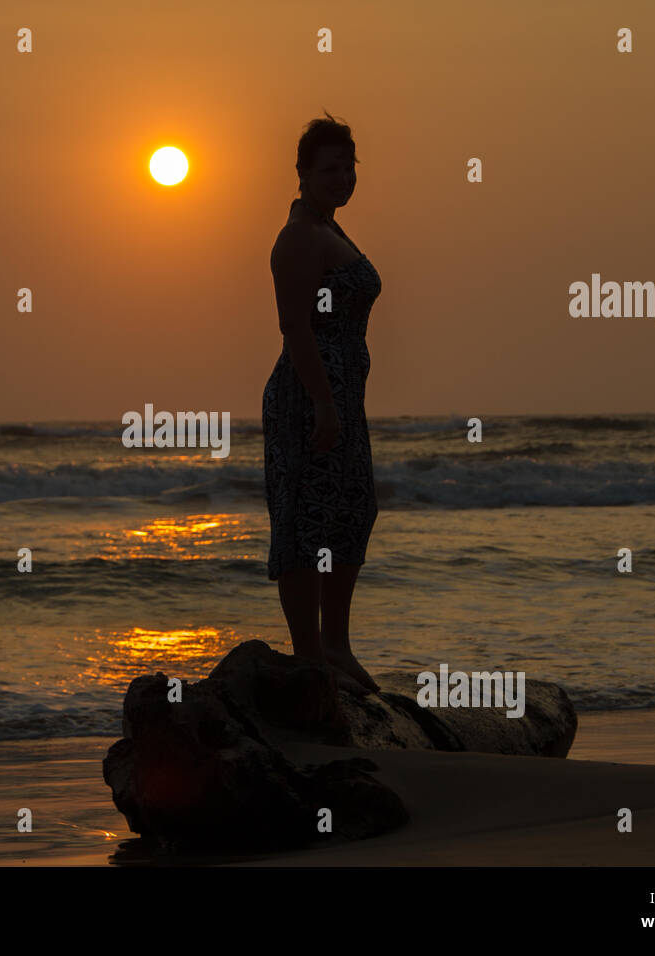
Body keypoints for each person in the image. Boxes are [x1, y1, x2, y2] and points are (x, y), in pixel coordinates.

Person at [262, 111, 382, 694]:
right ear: (302, 173)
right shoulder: (299, 240)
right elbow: (296, 330)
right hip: (308, 397)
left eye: (349, 167)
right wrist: (326, 405)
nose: (342, 178)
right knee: (305, 518)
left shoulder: (331, 230)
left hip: (343, 396)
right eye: (330, 168)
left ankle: (337, 645)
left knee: (353, 510)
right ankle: (310, 651)